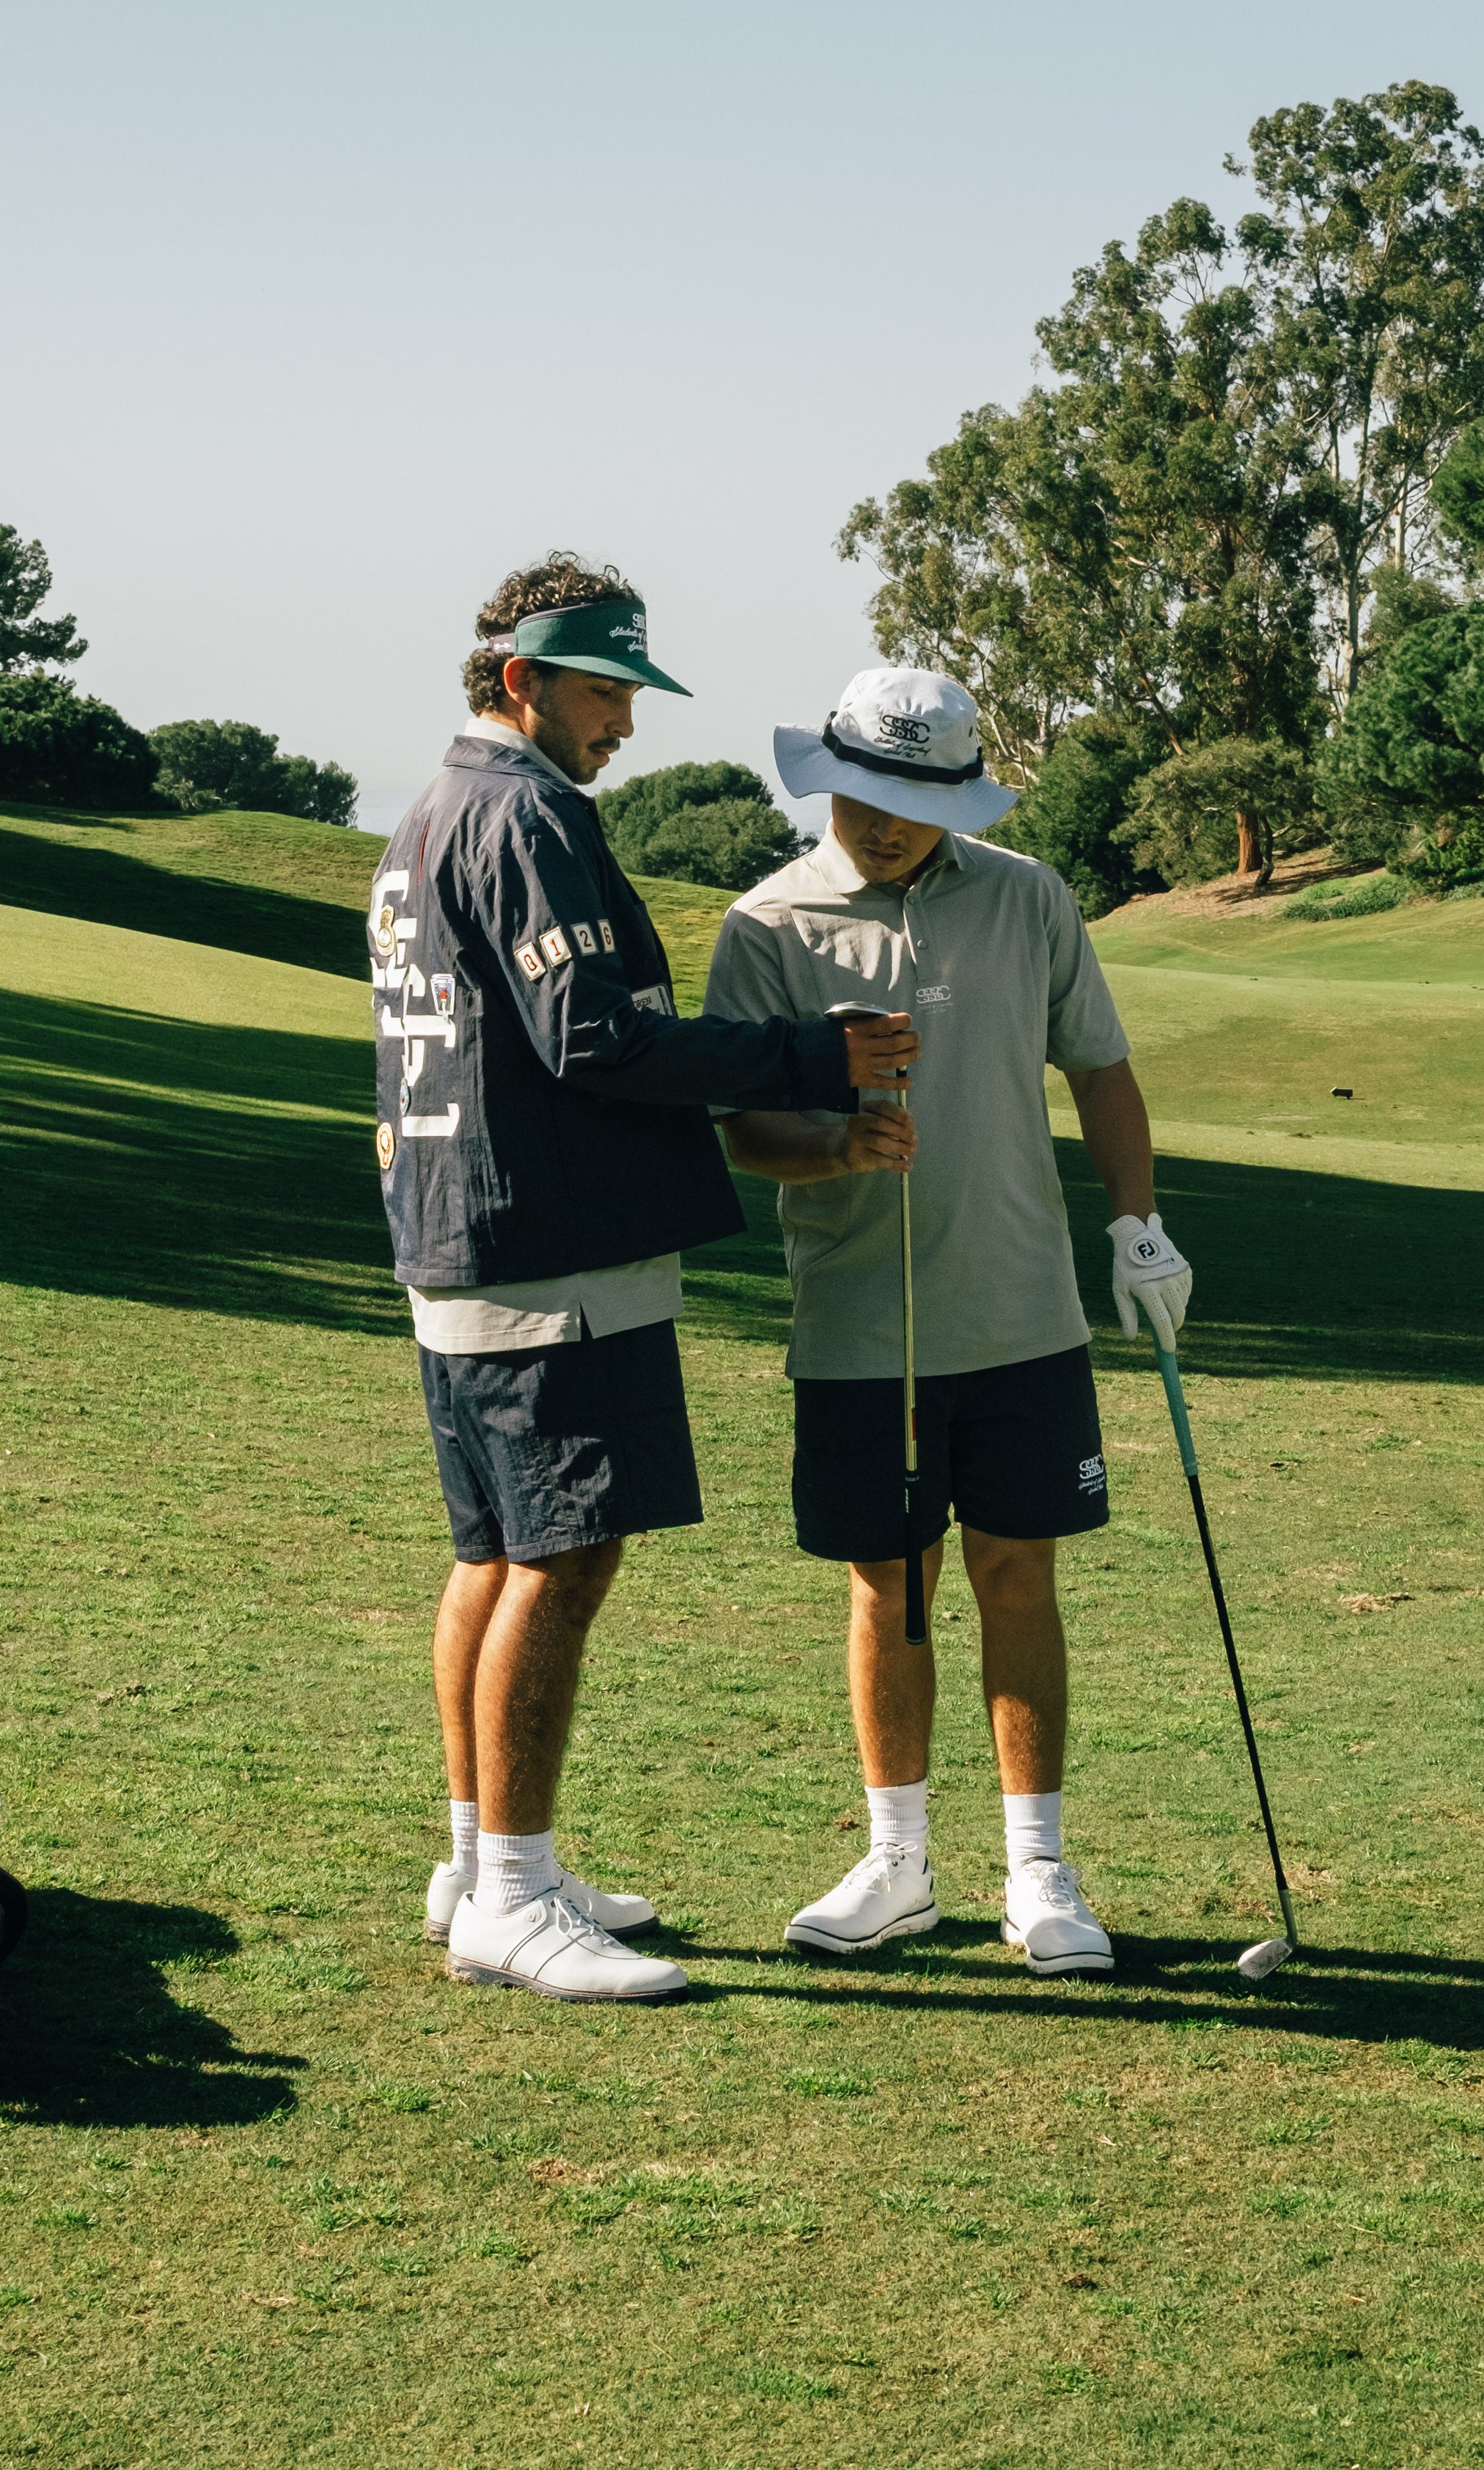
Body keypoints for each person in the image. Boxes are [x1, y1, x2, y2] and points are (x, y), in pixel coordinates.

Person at [372, 558, 920, 2004]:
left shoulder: (433, 809)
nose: (623, 723)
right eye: (605, 690)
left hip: (459, 1236)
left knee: (493, 1554)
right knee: (560, 1560)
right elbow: (595, 1039)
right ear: (520, 682)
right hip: (550, 1246)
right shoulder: (527, 813)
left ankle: (488, 1861)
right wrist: (813, 1056)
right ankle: (509, 1897)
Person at [707, 666, 1195, 1977]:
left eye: (917, 801)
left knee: (1018, 1574)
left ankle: (1038, 1873)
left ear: (956, 799)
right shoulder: (769, 925)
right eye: (867, 794)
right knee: (892, 1584)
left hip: (1025, 1309)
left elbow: (1099, 1064)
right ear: (833, 782)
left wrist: (1137, 1226)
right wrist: (835, 1152)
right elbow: (745, 1129)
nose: (886, 824)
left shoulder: (1027, 894)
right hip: (864, 1323)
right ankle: (900, 1864)